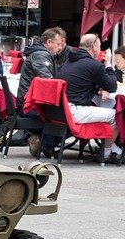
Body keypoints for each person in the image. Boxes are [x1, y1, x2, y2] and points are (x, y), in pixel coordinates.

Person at [56, 33, 121, 161]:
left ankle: (113, 147)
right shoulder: (93, 65)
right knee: (117, 115)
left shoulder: (68, 61)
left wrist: (98, 91)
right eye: (100, 45)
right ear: (95, 47)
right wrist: (108, 63)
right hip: (75, 111)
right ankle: (107, 153)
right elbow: (112, 86)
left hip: (60, 111)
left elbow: (82, 82)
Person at [15, 28, 63, 156]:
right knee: (62, 116)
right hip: (29, 106)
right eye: (58, 44)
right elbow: (48, 80)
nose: (60, 48)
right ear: (48, 43)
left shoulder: (37, 53)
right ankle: (44, 144)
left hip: (27, 103)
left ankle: (40, 139)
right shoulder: (41, 55)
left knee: (61, 113)